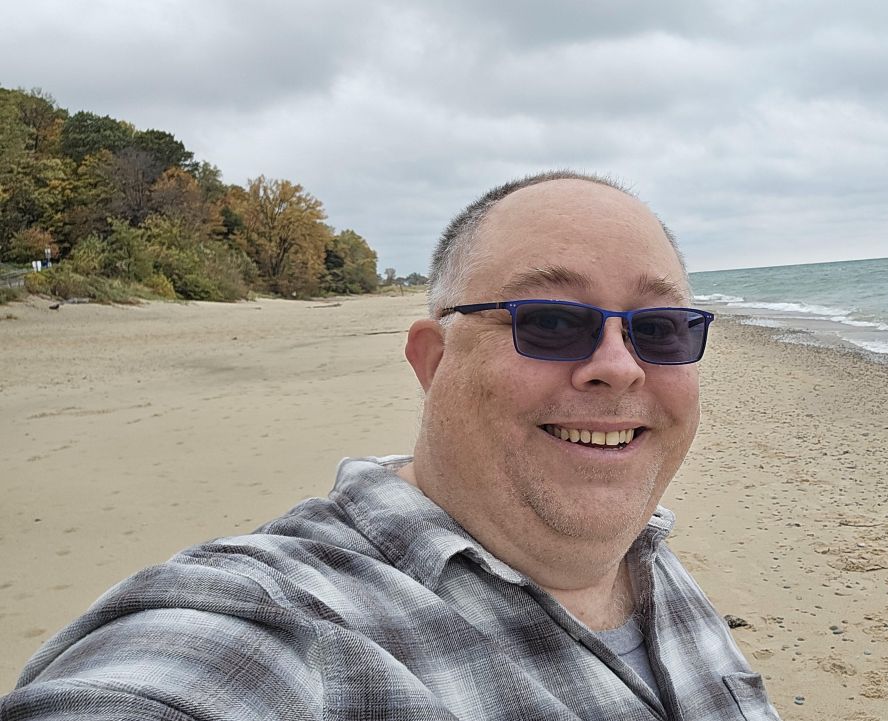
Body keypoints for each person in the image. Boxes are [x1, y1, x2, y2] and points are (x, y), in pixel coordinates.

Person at [2, 171, 781, 720]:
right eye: (549, 320)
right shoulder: (285, 620)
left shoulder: (644, 552)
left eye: (660, 328)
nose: (618, 365)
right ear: (433, 362)